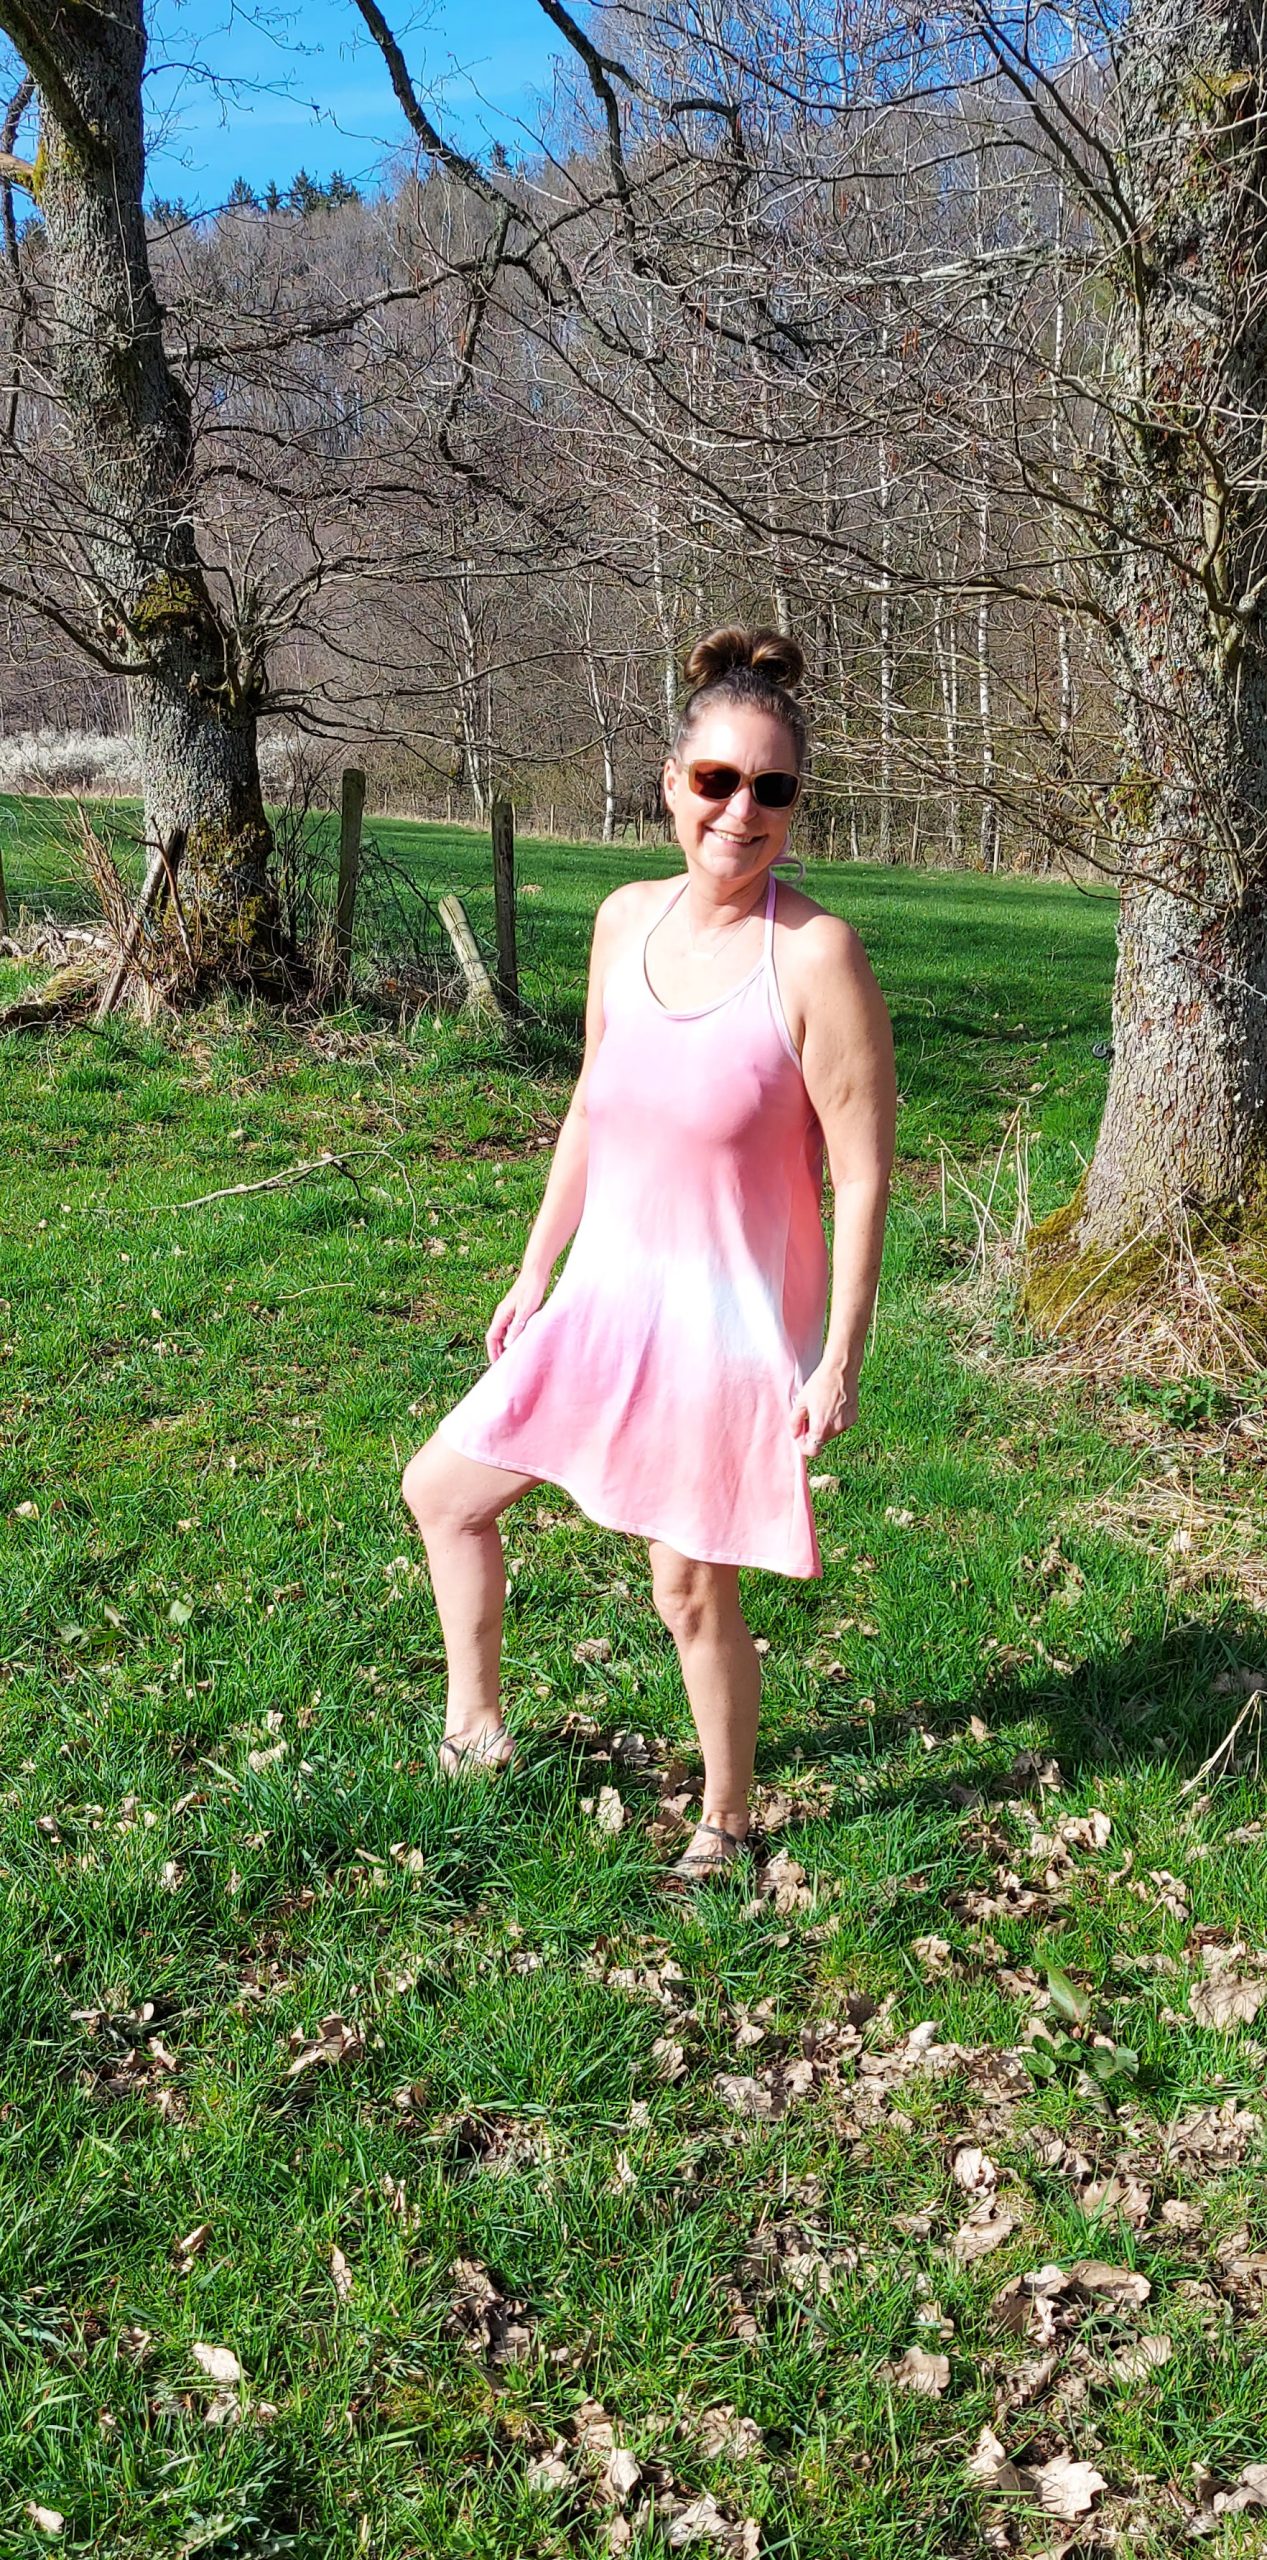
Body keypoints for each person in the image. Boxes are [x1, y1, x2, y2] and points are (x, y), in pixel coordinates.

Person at [402, 627, 896, 1886]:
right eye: (717, 780)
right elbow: (591, 1098)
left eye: (772, 788)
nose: (741, 811)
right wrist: (534, 1265)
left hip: (718, 1334)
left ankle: (726, 1817)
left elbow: (861, 1173)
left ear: (794, 803)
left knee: (686, 1590)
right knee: (443, 1493)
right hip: (600, 1303)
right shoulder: (623, 922)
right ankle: (473, 1731)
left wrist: (837, 1358)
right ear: (671, 783)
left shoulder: (815, 956)